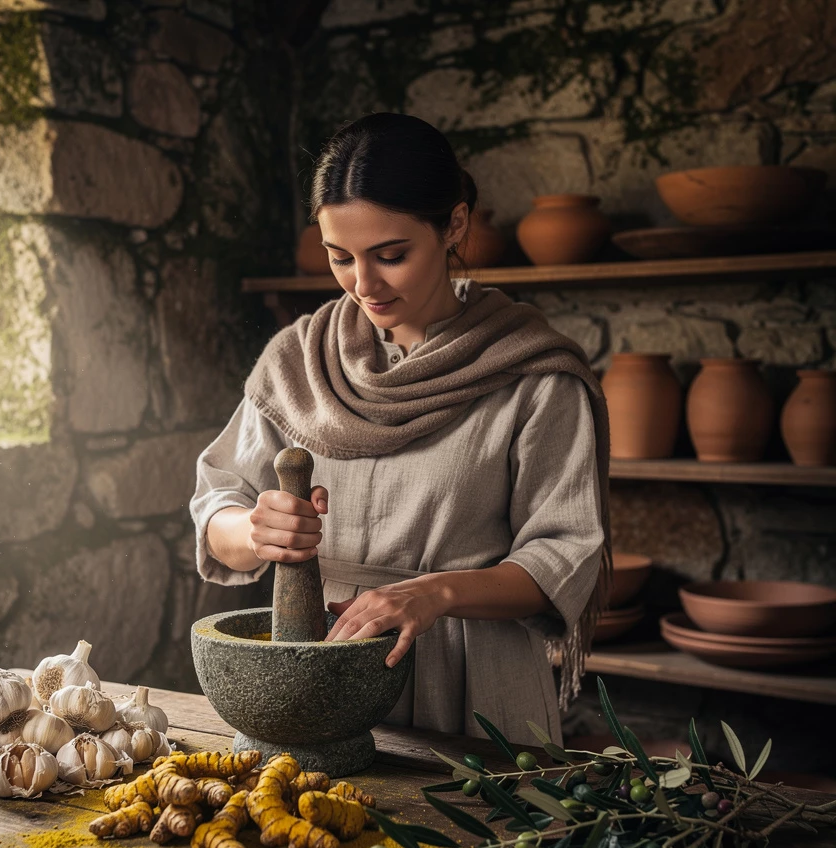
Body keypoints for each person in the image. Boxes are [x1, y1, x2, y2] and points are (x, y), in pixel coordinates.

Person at [189, 112, 611, 745]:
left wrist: (432, 594)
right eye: (340, 257)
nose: (364, 285)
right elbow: (216, 507)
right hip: (320, 676)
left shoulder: (532, 374)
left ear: (455, 225)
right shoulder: (299, 361)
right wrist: (255, 530)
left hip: (472, 685)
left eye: (391, 256)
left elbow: (563, 554)